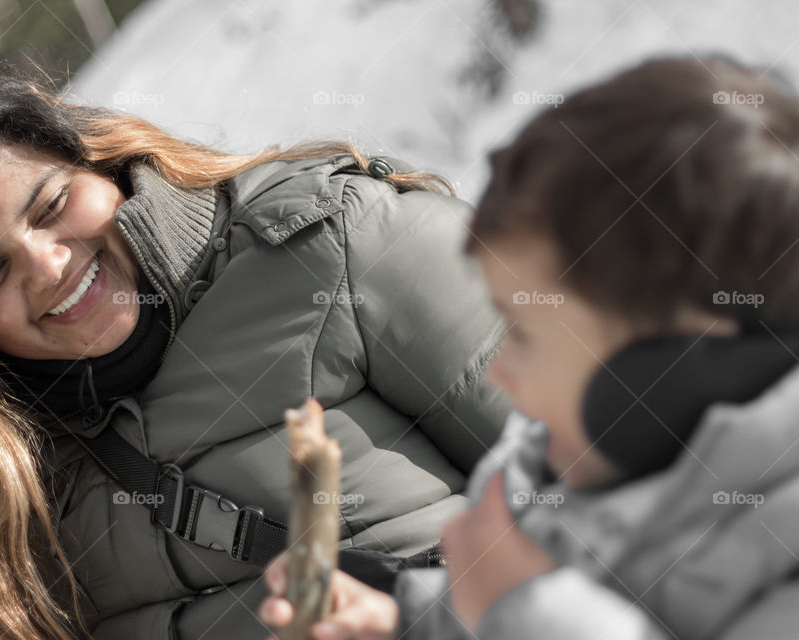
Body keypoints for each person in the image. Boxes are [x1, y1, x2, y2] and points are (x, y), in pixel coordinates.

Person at [0, 68, 509, 640]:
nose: (47, 267)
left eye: (52, 206)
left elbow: (604, 482)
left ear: (99, 165)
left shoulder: (341, 245)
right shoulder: (3, 486)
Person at [260, 54, 799, 639]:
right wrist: (401, 624)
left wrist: (521, 609)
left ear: (686, 358)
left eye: (525, 333)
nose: (501, 374)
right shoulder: (552, 471)